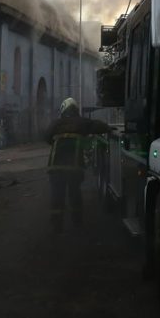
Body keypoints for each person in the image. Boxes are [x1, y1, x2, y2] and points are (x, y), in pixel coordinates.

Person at [44, 97, 112, 234]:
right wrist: (109, 128)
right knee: (74, 194)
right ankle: (77, 222)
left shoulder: (56, 124)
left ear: (63, 109)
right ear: (75, 109)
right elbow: (97, 126)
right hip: (74, 167)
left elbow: (46, 137)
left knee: (57, 195)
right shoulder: (82, 123)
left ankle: (56, 225)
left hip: (55, 167)